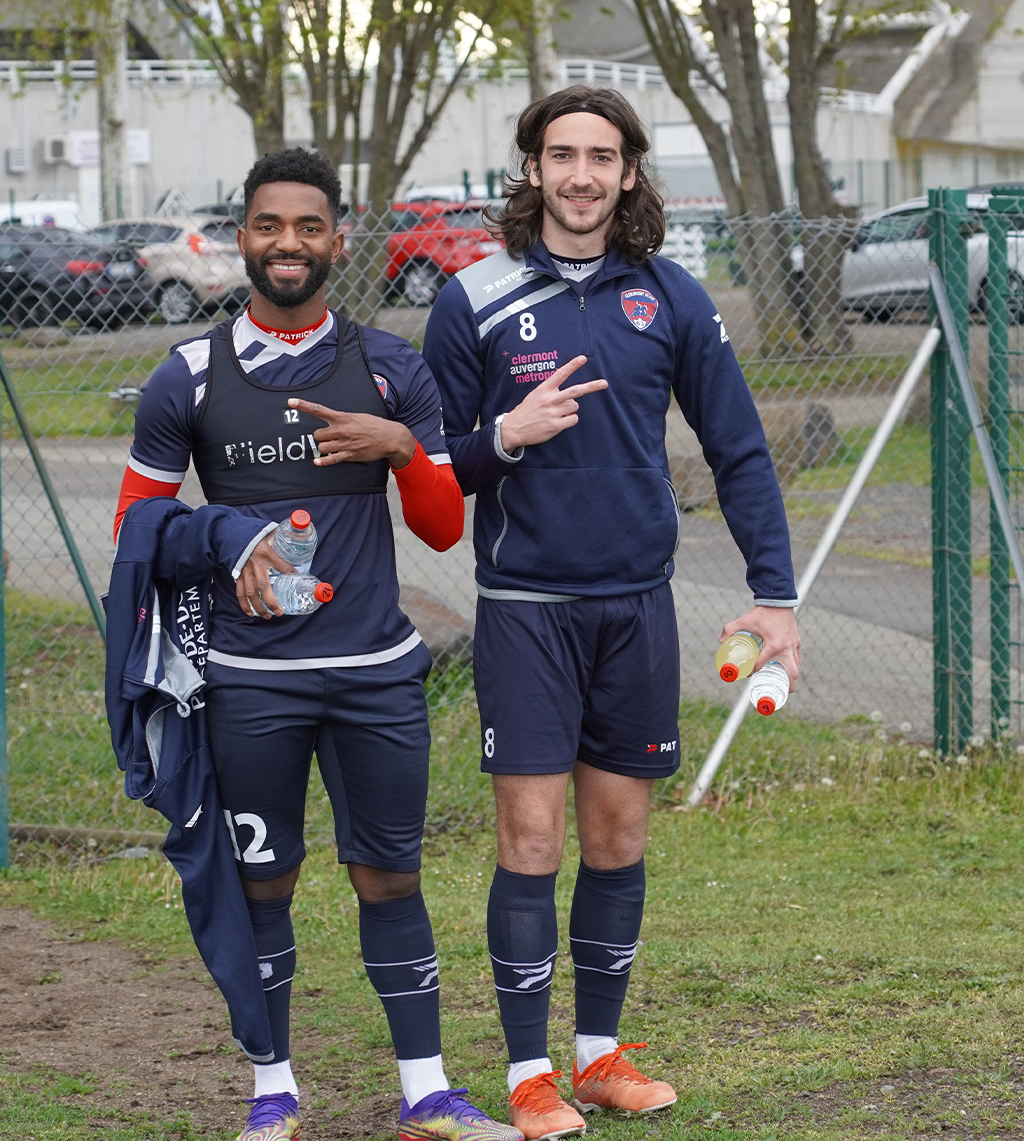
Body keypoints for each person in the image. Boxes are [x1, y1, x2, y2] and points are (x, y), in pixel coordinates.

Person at [113, 148, 521, 1141]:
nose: (287, 243)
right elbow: (134, 532)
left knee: (390, 879)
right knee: (265, 884)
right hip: (250, 682)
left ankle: (426, 1094)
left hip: (375, 674)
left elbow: (440, 530)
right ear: (242, 239)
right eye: (268, 226)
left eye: (307, 227)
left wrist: (400, 448)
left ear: (338, 241)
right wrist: (224, 537)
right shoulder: (189, 376)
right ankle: (273, 1095)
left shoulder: (391, 366)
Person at [422, 86, 802, 1139]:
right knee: (531, 838)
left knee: (619, 835)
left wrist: (774, 595)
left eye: (600, 157)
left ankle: (597, 1057)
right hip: (526, 612)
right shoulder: (473, 299)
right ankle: (529, 1075)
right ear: (532, 169)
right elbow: (435, 471)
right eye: (562, 155)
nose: (581, 175)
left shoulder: (670, 296)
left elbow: (738, 451)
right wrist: (507, 434)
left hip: (637, 608)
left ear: (629, 171)